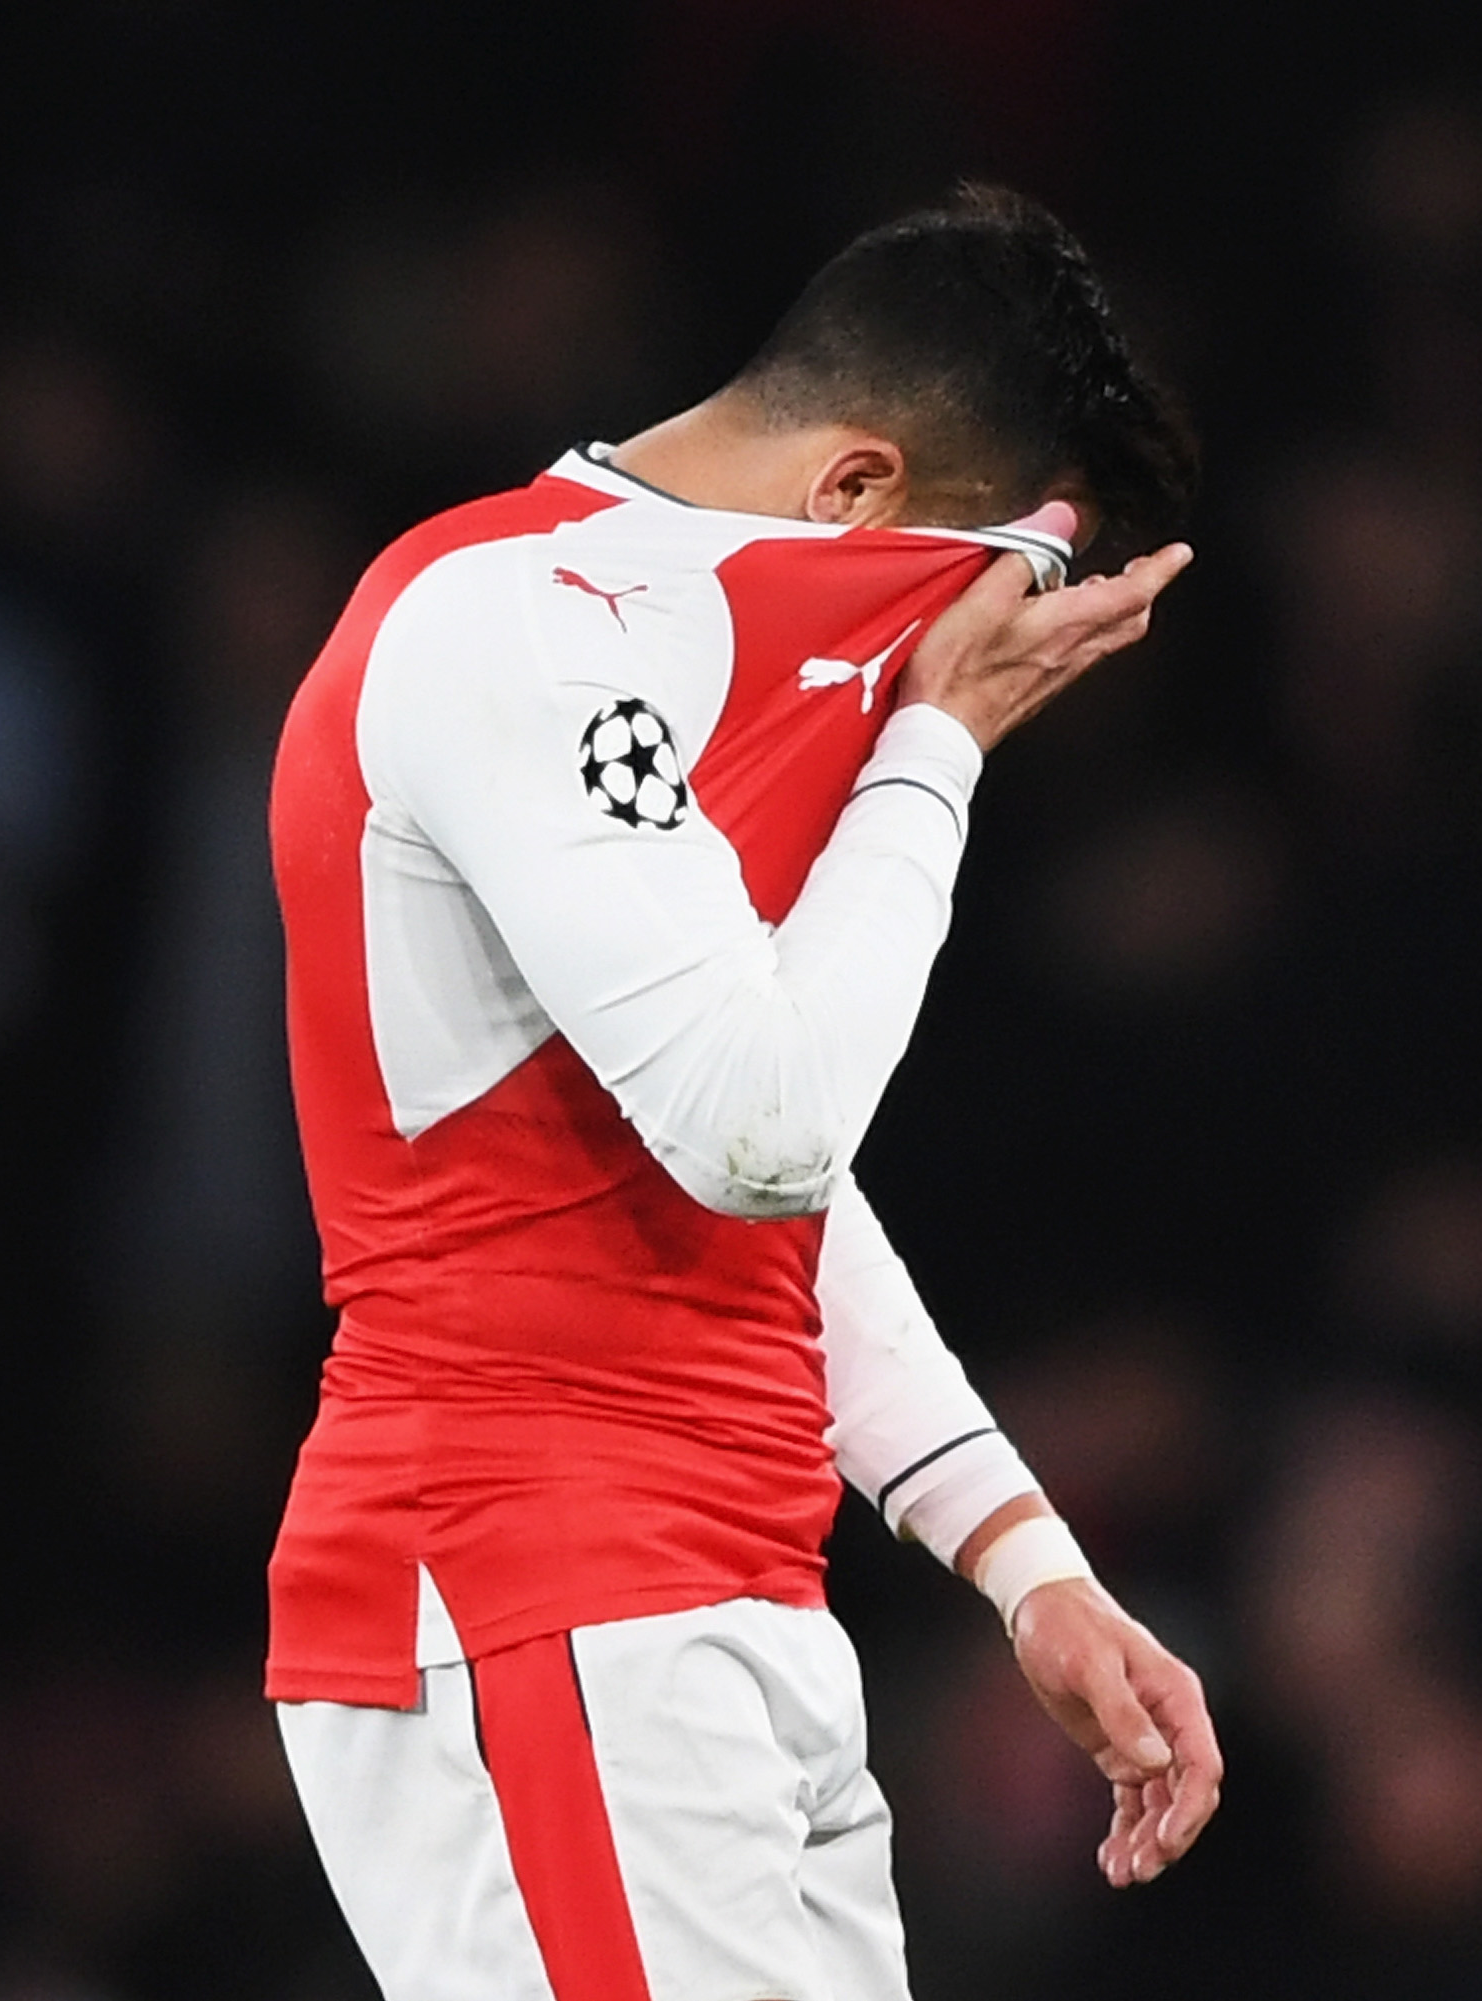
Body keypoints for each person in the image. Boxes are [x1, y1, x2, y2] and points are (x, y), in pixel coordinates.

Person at [262, 185, 1221, 2001]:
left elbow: (777, 1192)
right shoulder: (516, 626)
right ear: (856, 494)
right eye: (971, 603)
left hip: (725, 1590)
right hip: (531, 1573)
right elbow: (760, 1125)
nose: (952, 669)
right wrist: (936, 745)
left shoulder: (664, 657)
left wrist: (1028, 1563)